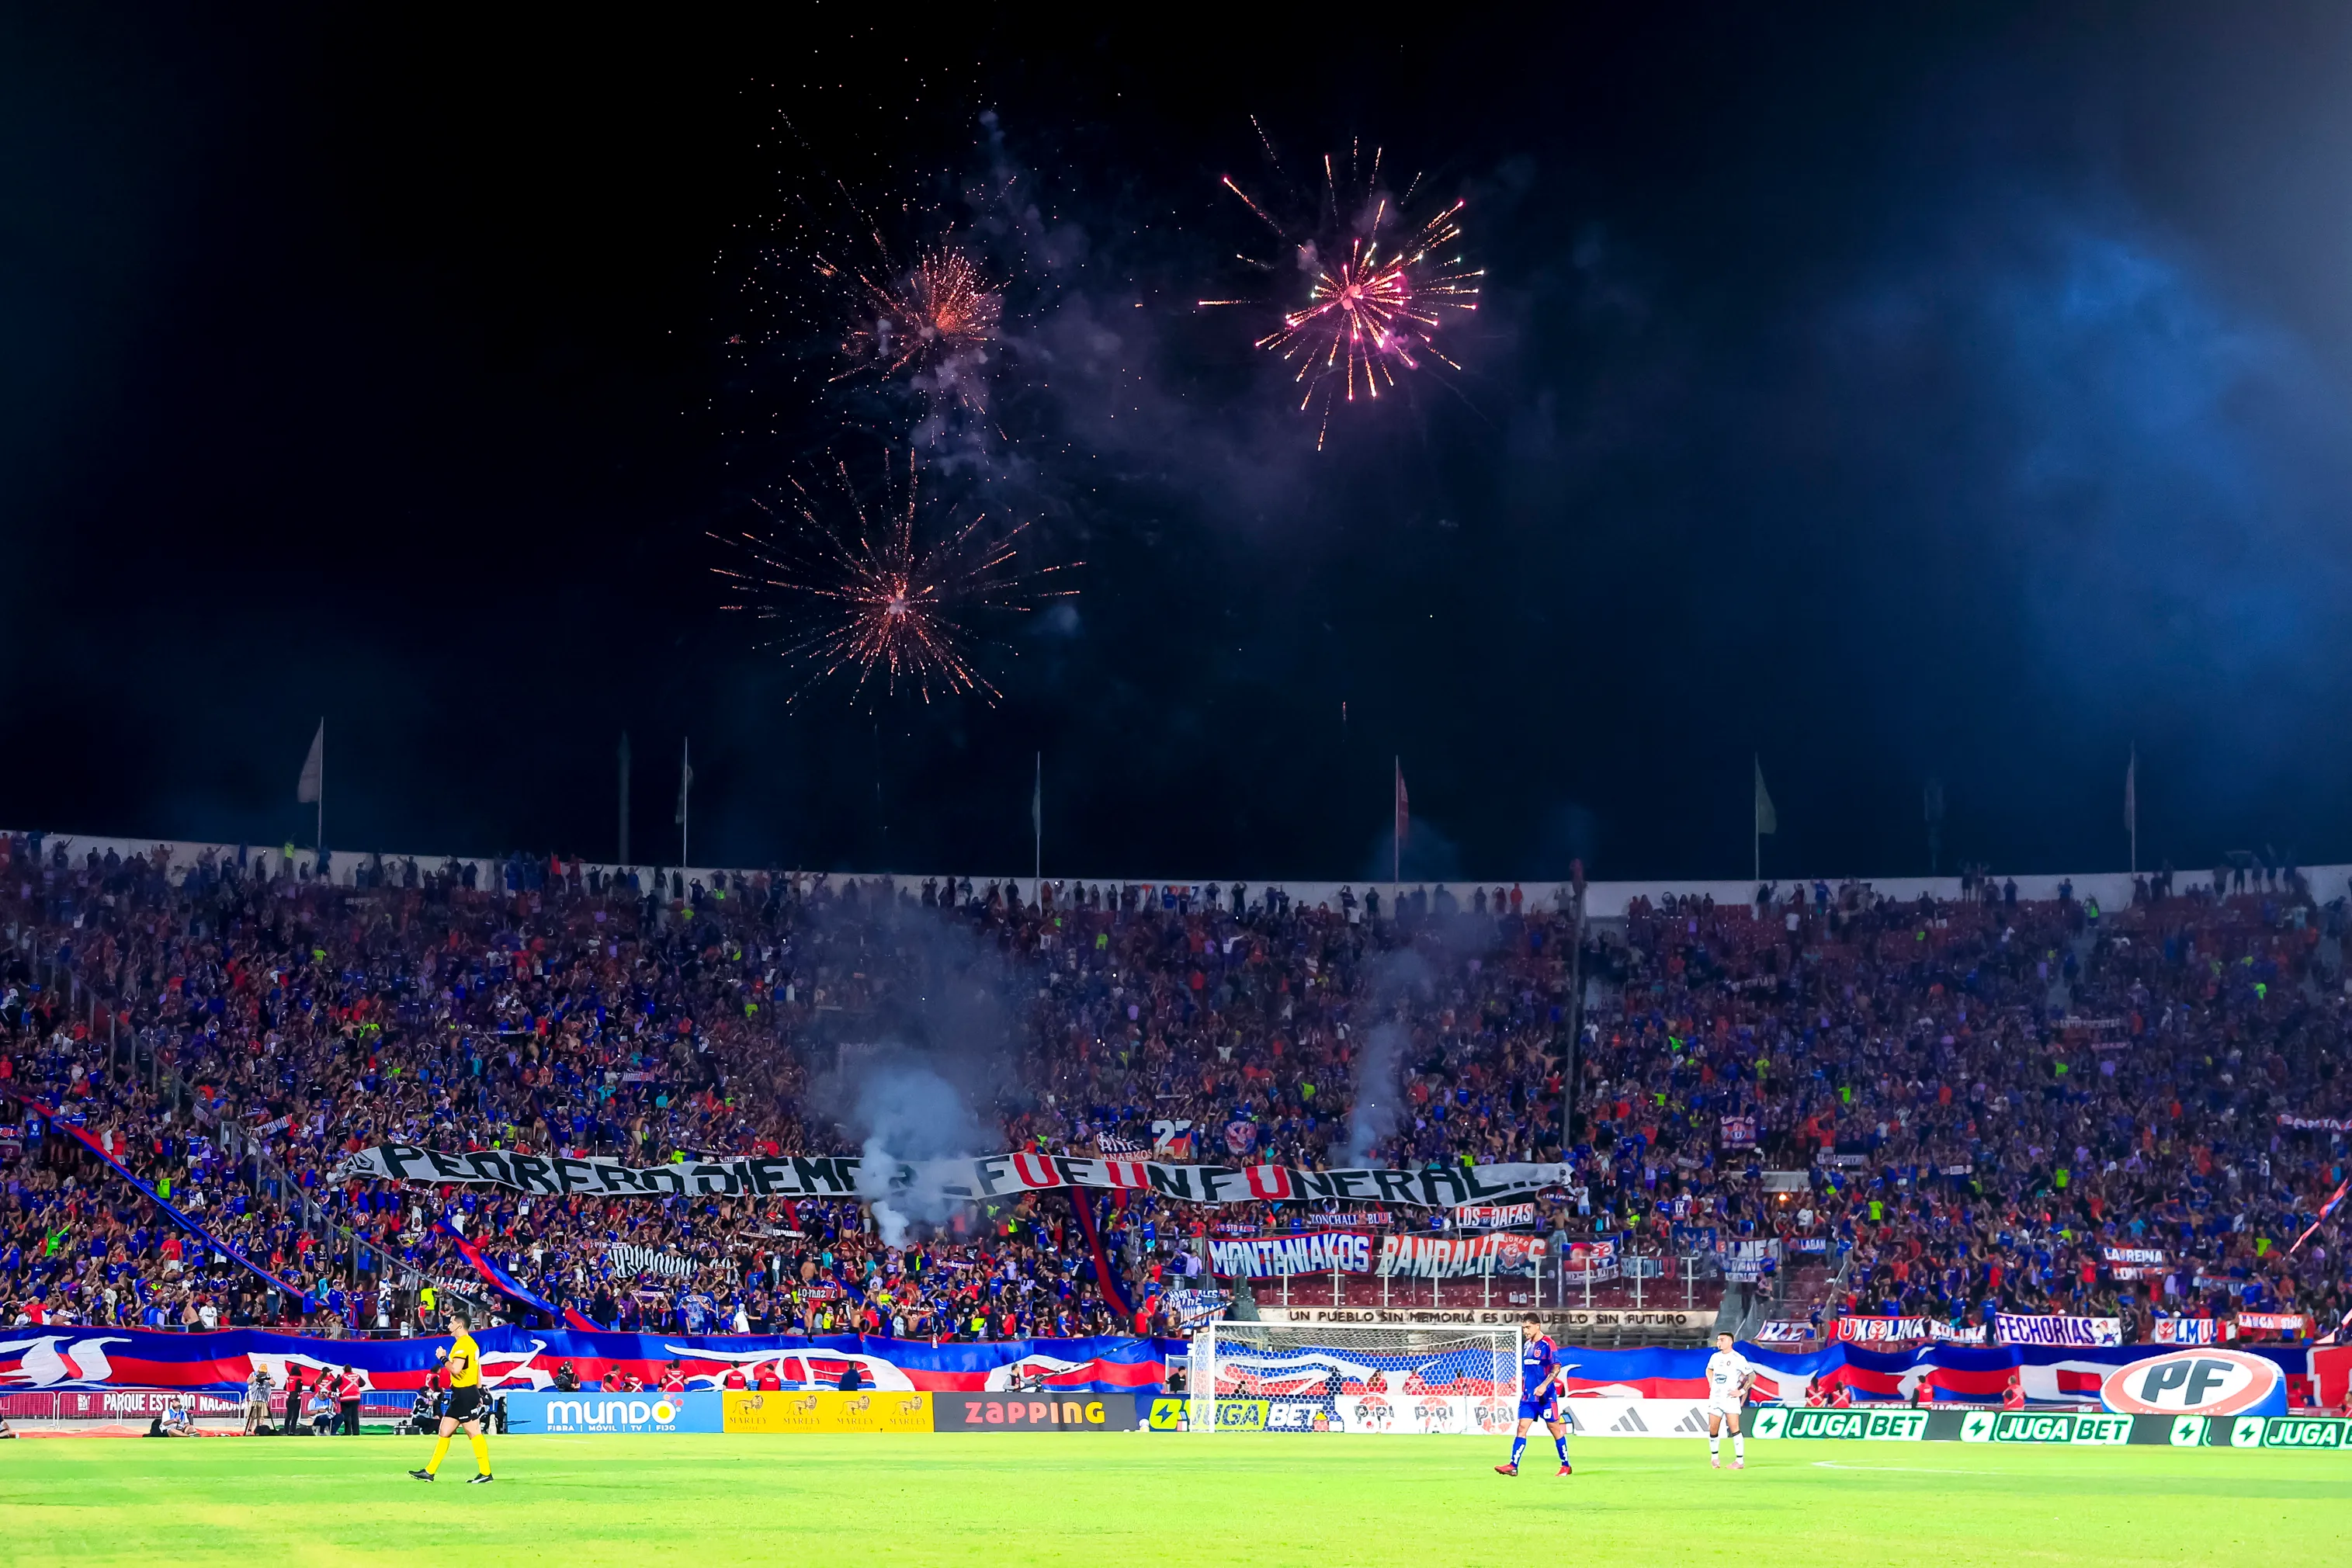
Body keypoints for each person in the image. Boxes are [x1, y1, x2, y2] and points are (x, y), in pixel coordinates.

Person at [409, 1310, 493, 1483]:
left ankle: (486, 1473)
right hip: (463, 1393)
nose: (449, 1326)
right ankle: (429, 1472)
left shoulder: (462, 1345)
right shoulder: (472, 1344)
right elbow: (477, 1370)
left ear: (459, 1325)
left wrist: (442, 1358)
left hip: (464, 1394)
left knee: (474, 1432)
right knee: (444, 1430)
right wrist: (479, 1390)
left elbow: (456, 1369)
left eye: (451, 1323)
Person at [1494, 1313, 1570, 1478]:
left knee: (1555, 1429)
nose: (1525, 1331)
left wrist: (1543, 1386)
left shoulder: (1548, 1344)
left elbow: (1556, 1368)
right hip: (1528, 1397)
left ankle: (1565, 1465)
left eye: (1528, 1327)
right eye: (1523, 1328)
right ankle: (1513, 1466)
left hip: (1546, 1397)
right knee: (1521, 1428)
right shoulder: (1527, 1345)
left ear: (1538, 1326)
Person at [1702, 1330, 1754, 1471]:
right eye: (1718, 1340)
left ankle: (1740, 1461)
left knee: (1734, 1429)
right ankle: (1714, 1458)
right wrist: (1711, 1383)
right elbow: (1709, 1370)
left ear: (1730, 1342)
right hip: (1716, 1398)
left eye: (1722, 1340)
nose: (1719, 1342)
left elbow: (1752, 1376)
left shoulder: (1738, 1358)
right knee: (1713, 1428)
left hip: (1730, 1399)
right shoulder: (1715, 1357)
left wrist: (1741, 1391)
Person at [337, 1366, 365, 1436]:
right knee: (355, 1416)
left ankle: (348, 1432)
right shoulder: (357, 1376)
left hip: (345, 1398)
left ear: (344, 1370)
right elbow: (363, 1383)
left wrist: (337, 1392)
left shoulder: (342, 1376)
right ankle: (356, 1432)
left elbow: (334, 1384)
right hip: (356, 1398)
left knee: (346, 1415)